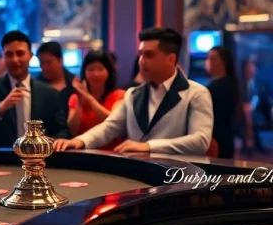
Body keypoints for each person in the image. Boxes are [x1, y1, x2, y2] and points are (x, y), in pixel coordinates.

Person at [54, 27, 213, 154]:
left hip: (177, 180)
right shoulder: (133, 94)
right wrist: (80, 141)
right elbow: (109, 127)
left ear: (170, 59)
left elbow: (200, 141)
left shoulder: (196, 93)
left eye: (149, 55)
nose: (141, 61)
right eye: (141, 54)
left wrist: (149, 146)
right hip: (137, 176)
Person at [0, 30, 69, 147]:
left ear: (30, 56)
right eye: (9, 54)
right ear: (3, 56)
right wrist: (1, 107)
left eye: (20, 53)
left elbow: (63, 131)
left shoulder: (49, 93)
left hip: (38, 161)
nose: (15, 60)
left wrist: (52, 143)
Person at [67, 50, 125, 150]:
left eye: (100, 69)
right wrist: (80, 103)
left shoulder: (119, 95)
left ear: (109, 71)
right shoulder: (75, 97)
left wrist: (89, 98)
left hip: (112, 154)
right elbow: (72, 131)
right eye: (90, 69)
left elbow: (112, 124)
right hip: (83, 152)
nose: (95, 74)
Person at [204, 45, 240, 159]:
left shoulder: (221, 85)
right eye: (208, 58)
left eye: (213, 58)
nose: (208, 62)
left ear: (224, 62)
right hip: (222, 138)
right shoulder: (224, 82)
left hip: (217, 139)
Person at [36, 41, 76, 113]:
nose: (45, 67)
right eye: (41, 62)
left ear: (60, 60)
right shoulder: (35, 86)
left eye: (49, 62)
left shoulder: (75, 85)